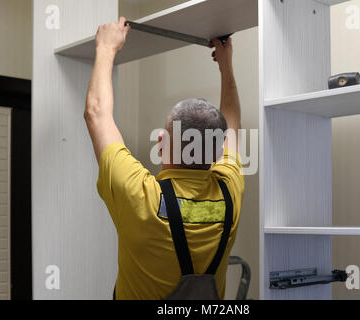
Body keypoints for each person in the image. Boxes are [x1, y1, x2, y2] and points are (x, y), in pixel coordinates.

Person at [84, 17, 245, 300]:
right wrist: (226, 64)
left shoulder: (141, 195)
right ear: (218, 152)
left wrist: (107, 47)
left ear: (162, 143)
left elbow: (97, 112)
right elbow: (232, 121)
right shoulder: (230, 189)